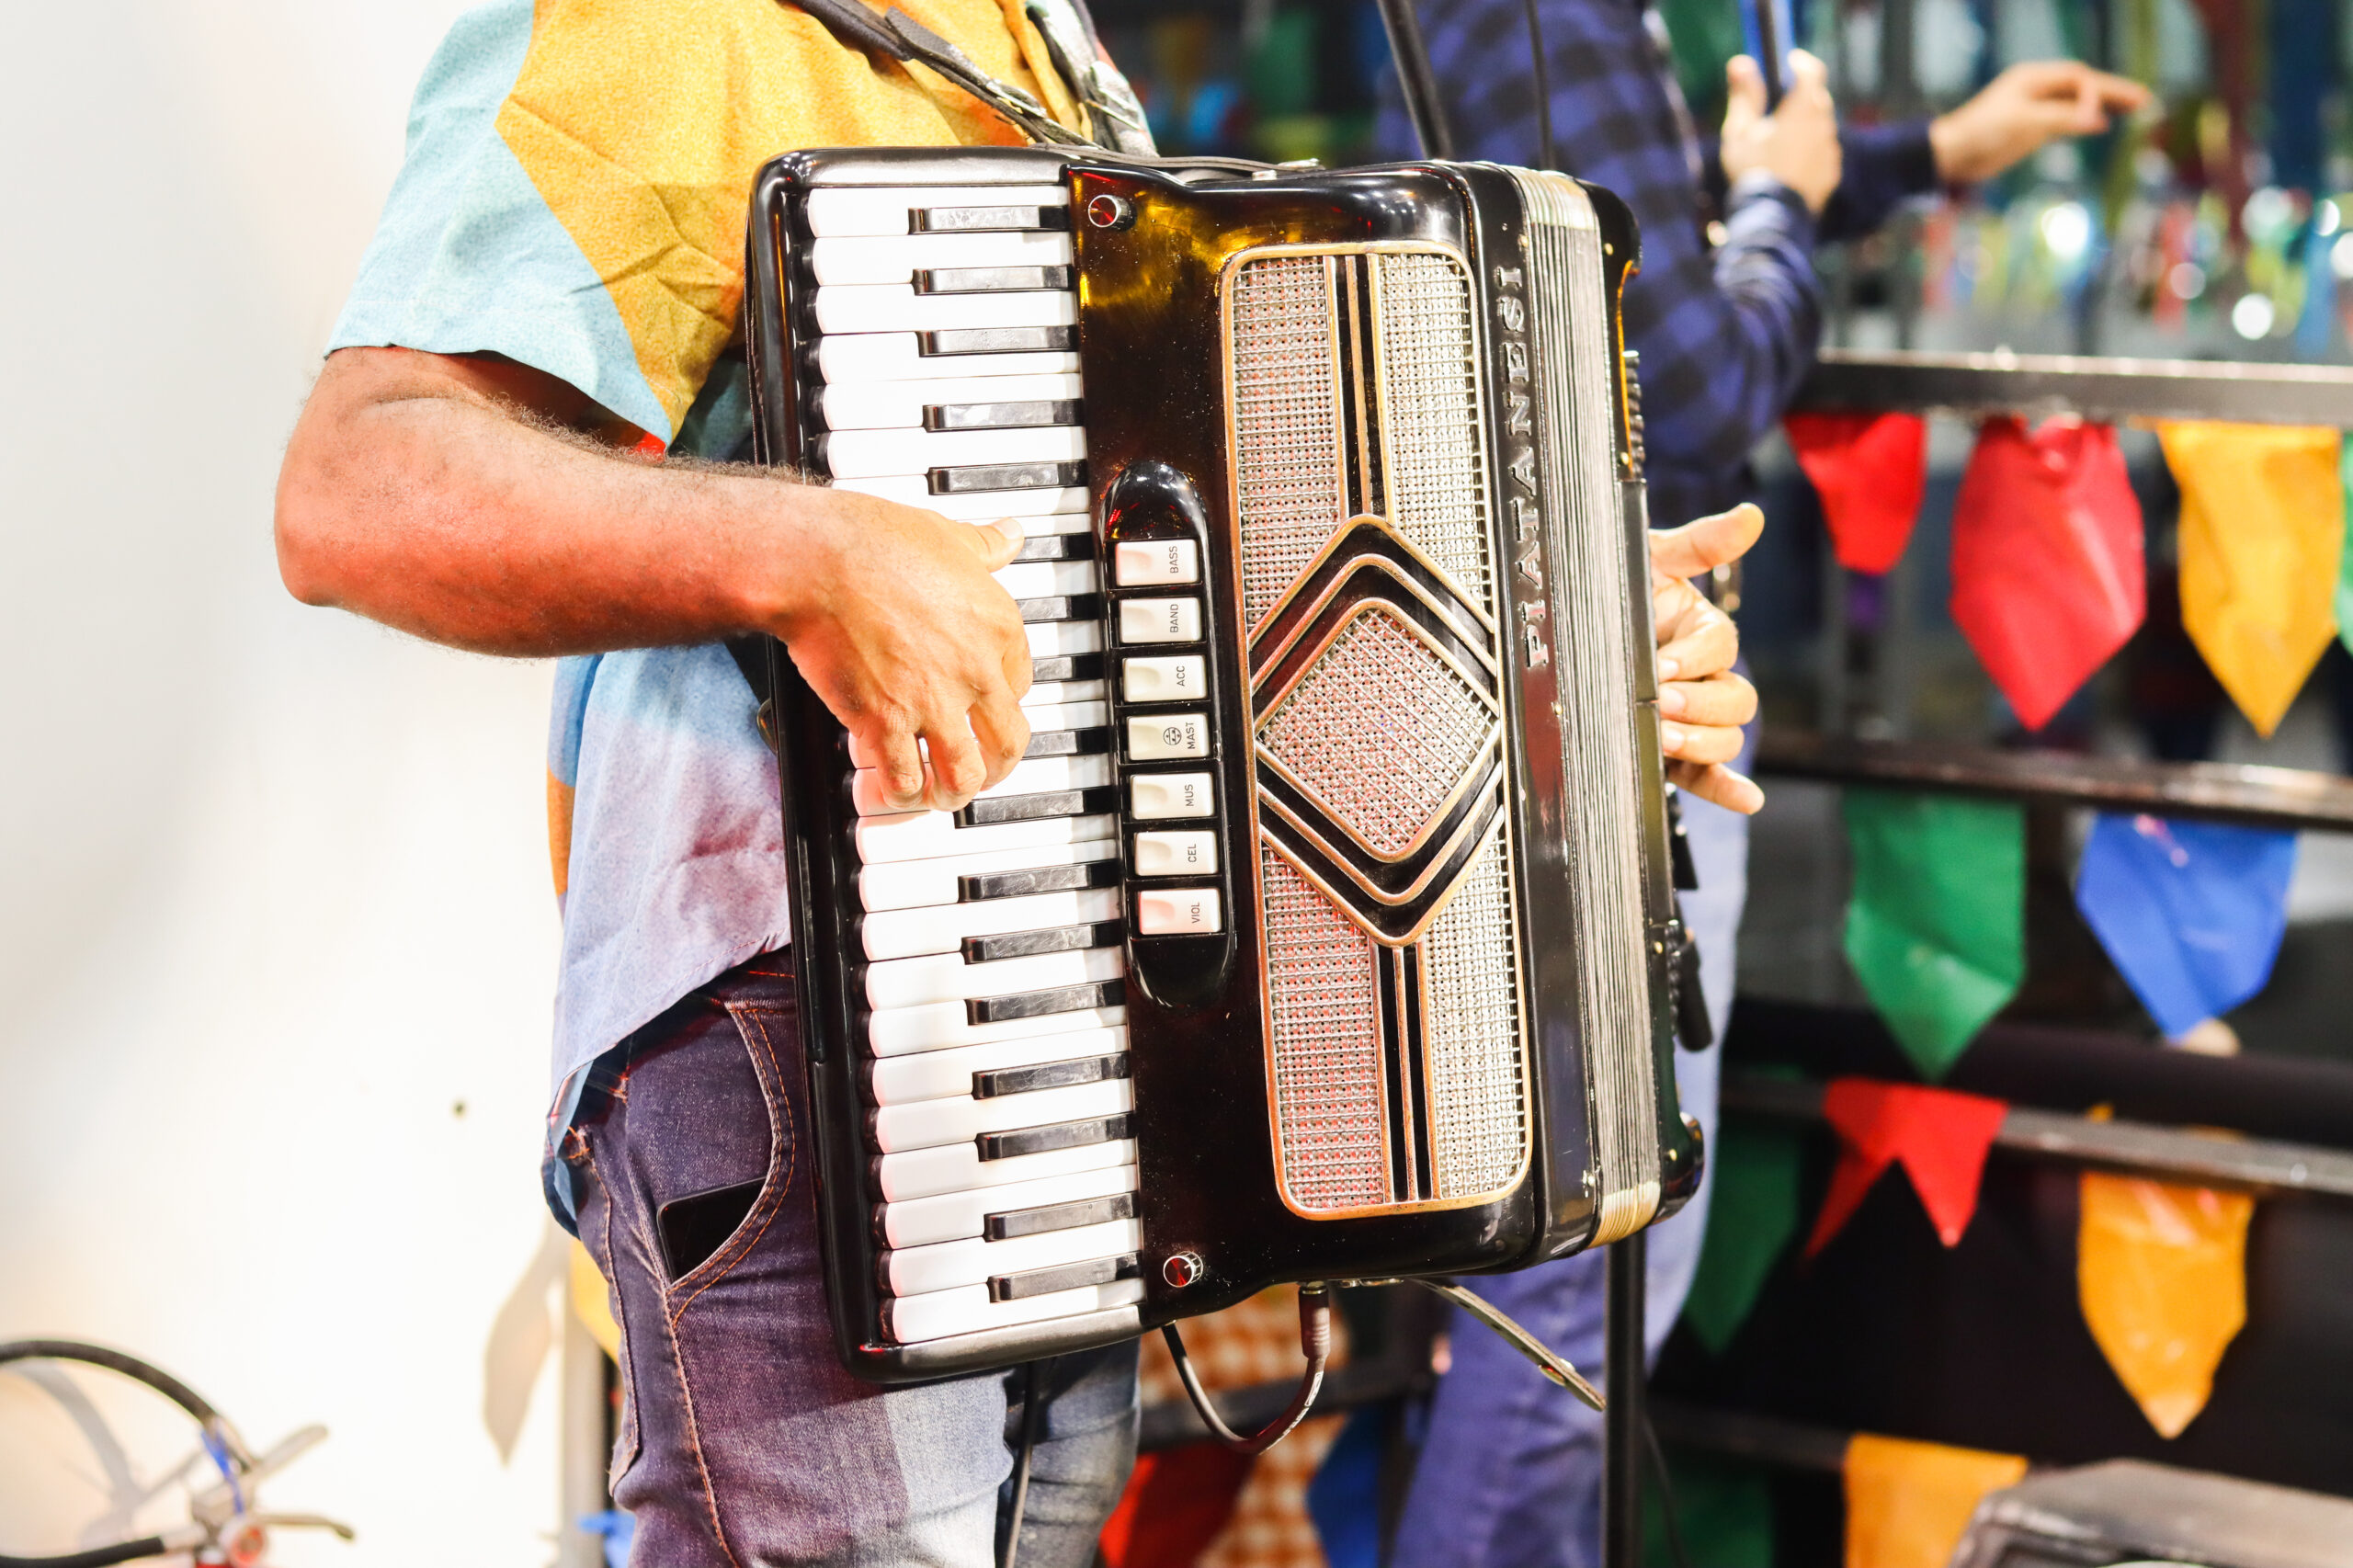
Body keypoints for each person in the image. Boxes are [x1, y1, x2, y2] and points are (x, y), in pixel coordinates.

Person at [273, 2, 1763, 1562]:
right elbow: (358, 481)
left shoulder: (1043, 37)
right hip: (799, 1045)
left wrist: (1561, 659)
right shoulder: (684, 23)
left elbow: (1187, 582)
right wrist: (804, 550)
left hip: (1058, 1074)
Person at [1374, 12, 2148, 1565]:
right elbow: (1687, 384)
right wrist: (1785, 203)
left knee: (1567, 1278)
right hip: (1589, 710)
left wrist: (1916, 158)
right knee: (1585, 1284)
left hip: (1551, 694)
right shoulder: (1551, 18)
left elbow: (1637, 254)